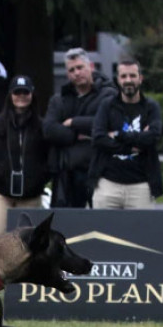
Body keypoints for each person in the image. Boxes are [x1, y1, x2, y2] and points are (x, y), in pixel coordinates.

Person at [0, 75, 49, 236]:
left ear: (32, 95)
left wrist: (39, 176)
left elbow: (50, 157)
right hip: (1, 192)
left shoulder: (42, 127)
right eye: (17, 92)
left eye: (25, 92)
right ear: (10, 95)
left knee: (29, 247)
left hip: (31, 195)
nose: (21, 96)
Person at [43, 47, 116, 208]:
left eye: (80, 67)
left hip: (101, 173)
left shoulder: (108, 94)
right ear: (68, 74)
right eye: (72, 70)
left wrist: (74, 122)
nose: (77, 73)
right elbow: (49, 129)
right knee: (66, 228)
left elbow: (108, 122)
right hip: (66, 175)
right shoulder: (60, 99)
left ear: (90, 67)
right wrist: (76, 135)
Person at [89, 58, 163, 209]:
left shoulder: (151, 107)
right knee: (101, 232)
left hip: (141, 186)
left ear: (140, 78)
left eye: (132, 76)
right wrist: (131, 147)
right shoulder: (107, 105)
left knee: (142, 232)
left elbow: (153, 137)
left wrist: (118, 135)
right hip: (107, 184)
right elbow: (98, 138)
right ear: (117, 80)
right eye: (124, 76)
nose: (128, 80)